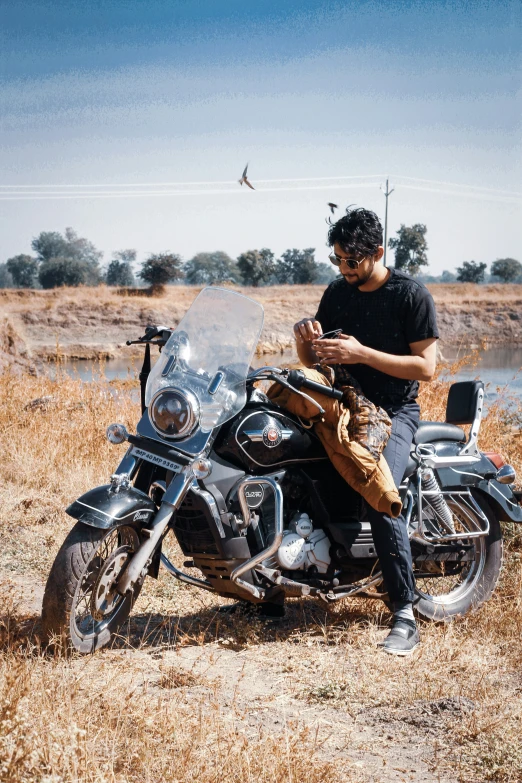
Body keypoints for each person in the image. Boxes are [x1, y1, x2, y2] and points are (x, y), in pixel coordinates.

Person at [293, 207, 439, 655]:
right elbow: (314, 360)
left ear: (377, 252)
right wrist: (305, 343)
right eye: (337, 260)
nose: (344, 270)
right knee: (289, 463)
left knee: (379, 490)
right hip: (343, 403)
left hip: (394, 410)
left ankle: (404, 614)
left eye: (352, 261)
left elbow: (427, 368)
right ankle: (271, 589)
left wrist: (361, 354)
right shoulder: (338, 291)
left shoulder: (410, 295)